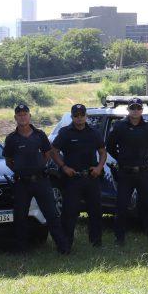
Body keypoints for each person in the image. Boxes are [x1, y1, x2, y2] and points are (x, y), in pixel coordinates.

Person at [3, 104, 70, 255]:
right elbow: (8, 160)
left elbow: (48, 154)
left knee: (51, 214)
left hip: (41, 181)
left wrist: (39, 167)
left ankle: (63, 247)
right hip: (22, 183)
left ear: (30, 116)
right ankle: (21, 250)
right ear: (15, 118)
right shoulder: (11, 138)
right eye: (19, 114)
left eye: (25, 114)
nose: (22, 117)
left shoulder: (39, 135)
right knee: (20, 216)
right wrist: (20, 171)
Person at [106, 97, 148, 245]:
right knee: (122, 205)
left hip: (143, 172)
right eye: (132, 108)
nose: (135, 110)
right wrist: (122, 159)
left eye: (138, 107)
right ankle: (119, 238)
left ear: (142, 110)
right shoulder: (119, 126)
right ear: (128, 109)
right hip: (125, 173)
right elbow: (110, 146)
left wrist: (143, 159)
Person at [54, 104, 106, 248]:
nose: (79, 118)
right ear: (72, 117)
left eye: (82, 115)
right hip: (72, 179)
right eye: (76, 115)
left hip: (91, 177)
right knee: (69, 213)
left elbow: (102, 152)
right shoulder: (65, 133)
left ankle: (96, 243)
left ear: (86, 116)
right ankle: (66, 245)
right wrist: (63, 166)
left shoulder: (94, 132)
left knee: (95, 211)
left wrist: (99, 167)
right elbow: (54, 151)